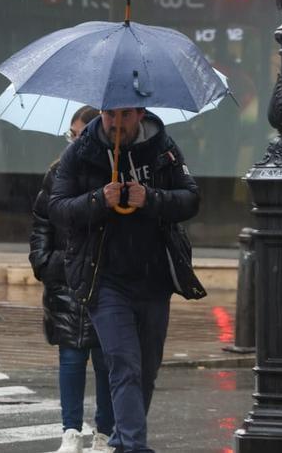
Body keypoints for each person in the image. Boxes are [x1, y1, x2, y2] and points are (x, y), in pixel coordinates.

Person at [49, 108, 204, 453]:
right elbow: (57, 207)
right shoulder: (81, 151)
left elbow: (191, 198)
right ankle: (133, 446)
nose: (116, 123)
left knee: (146, 370)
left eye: (125, 115)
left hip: (153, 278)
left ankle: (122, 438)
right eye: (110, 114)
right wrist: (97, 199)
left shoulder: (162, 147)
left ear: (139, 114)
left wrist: (150, 198)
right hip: (105, 278)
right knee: (124, 363)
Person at [30, 107, 115, 453]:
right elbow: (42, 221)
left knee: (106, 361)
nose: (76, 141)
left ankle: (105, 433)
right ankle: (71, 430)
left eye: (82, 134)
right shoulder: (57, 172)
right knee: (71, 358)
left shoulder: (113, 172)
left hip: (103, 279)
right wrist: (44, 261)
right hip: (65, 278)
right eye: (72, 134)